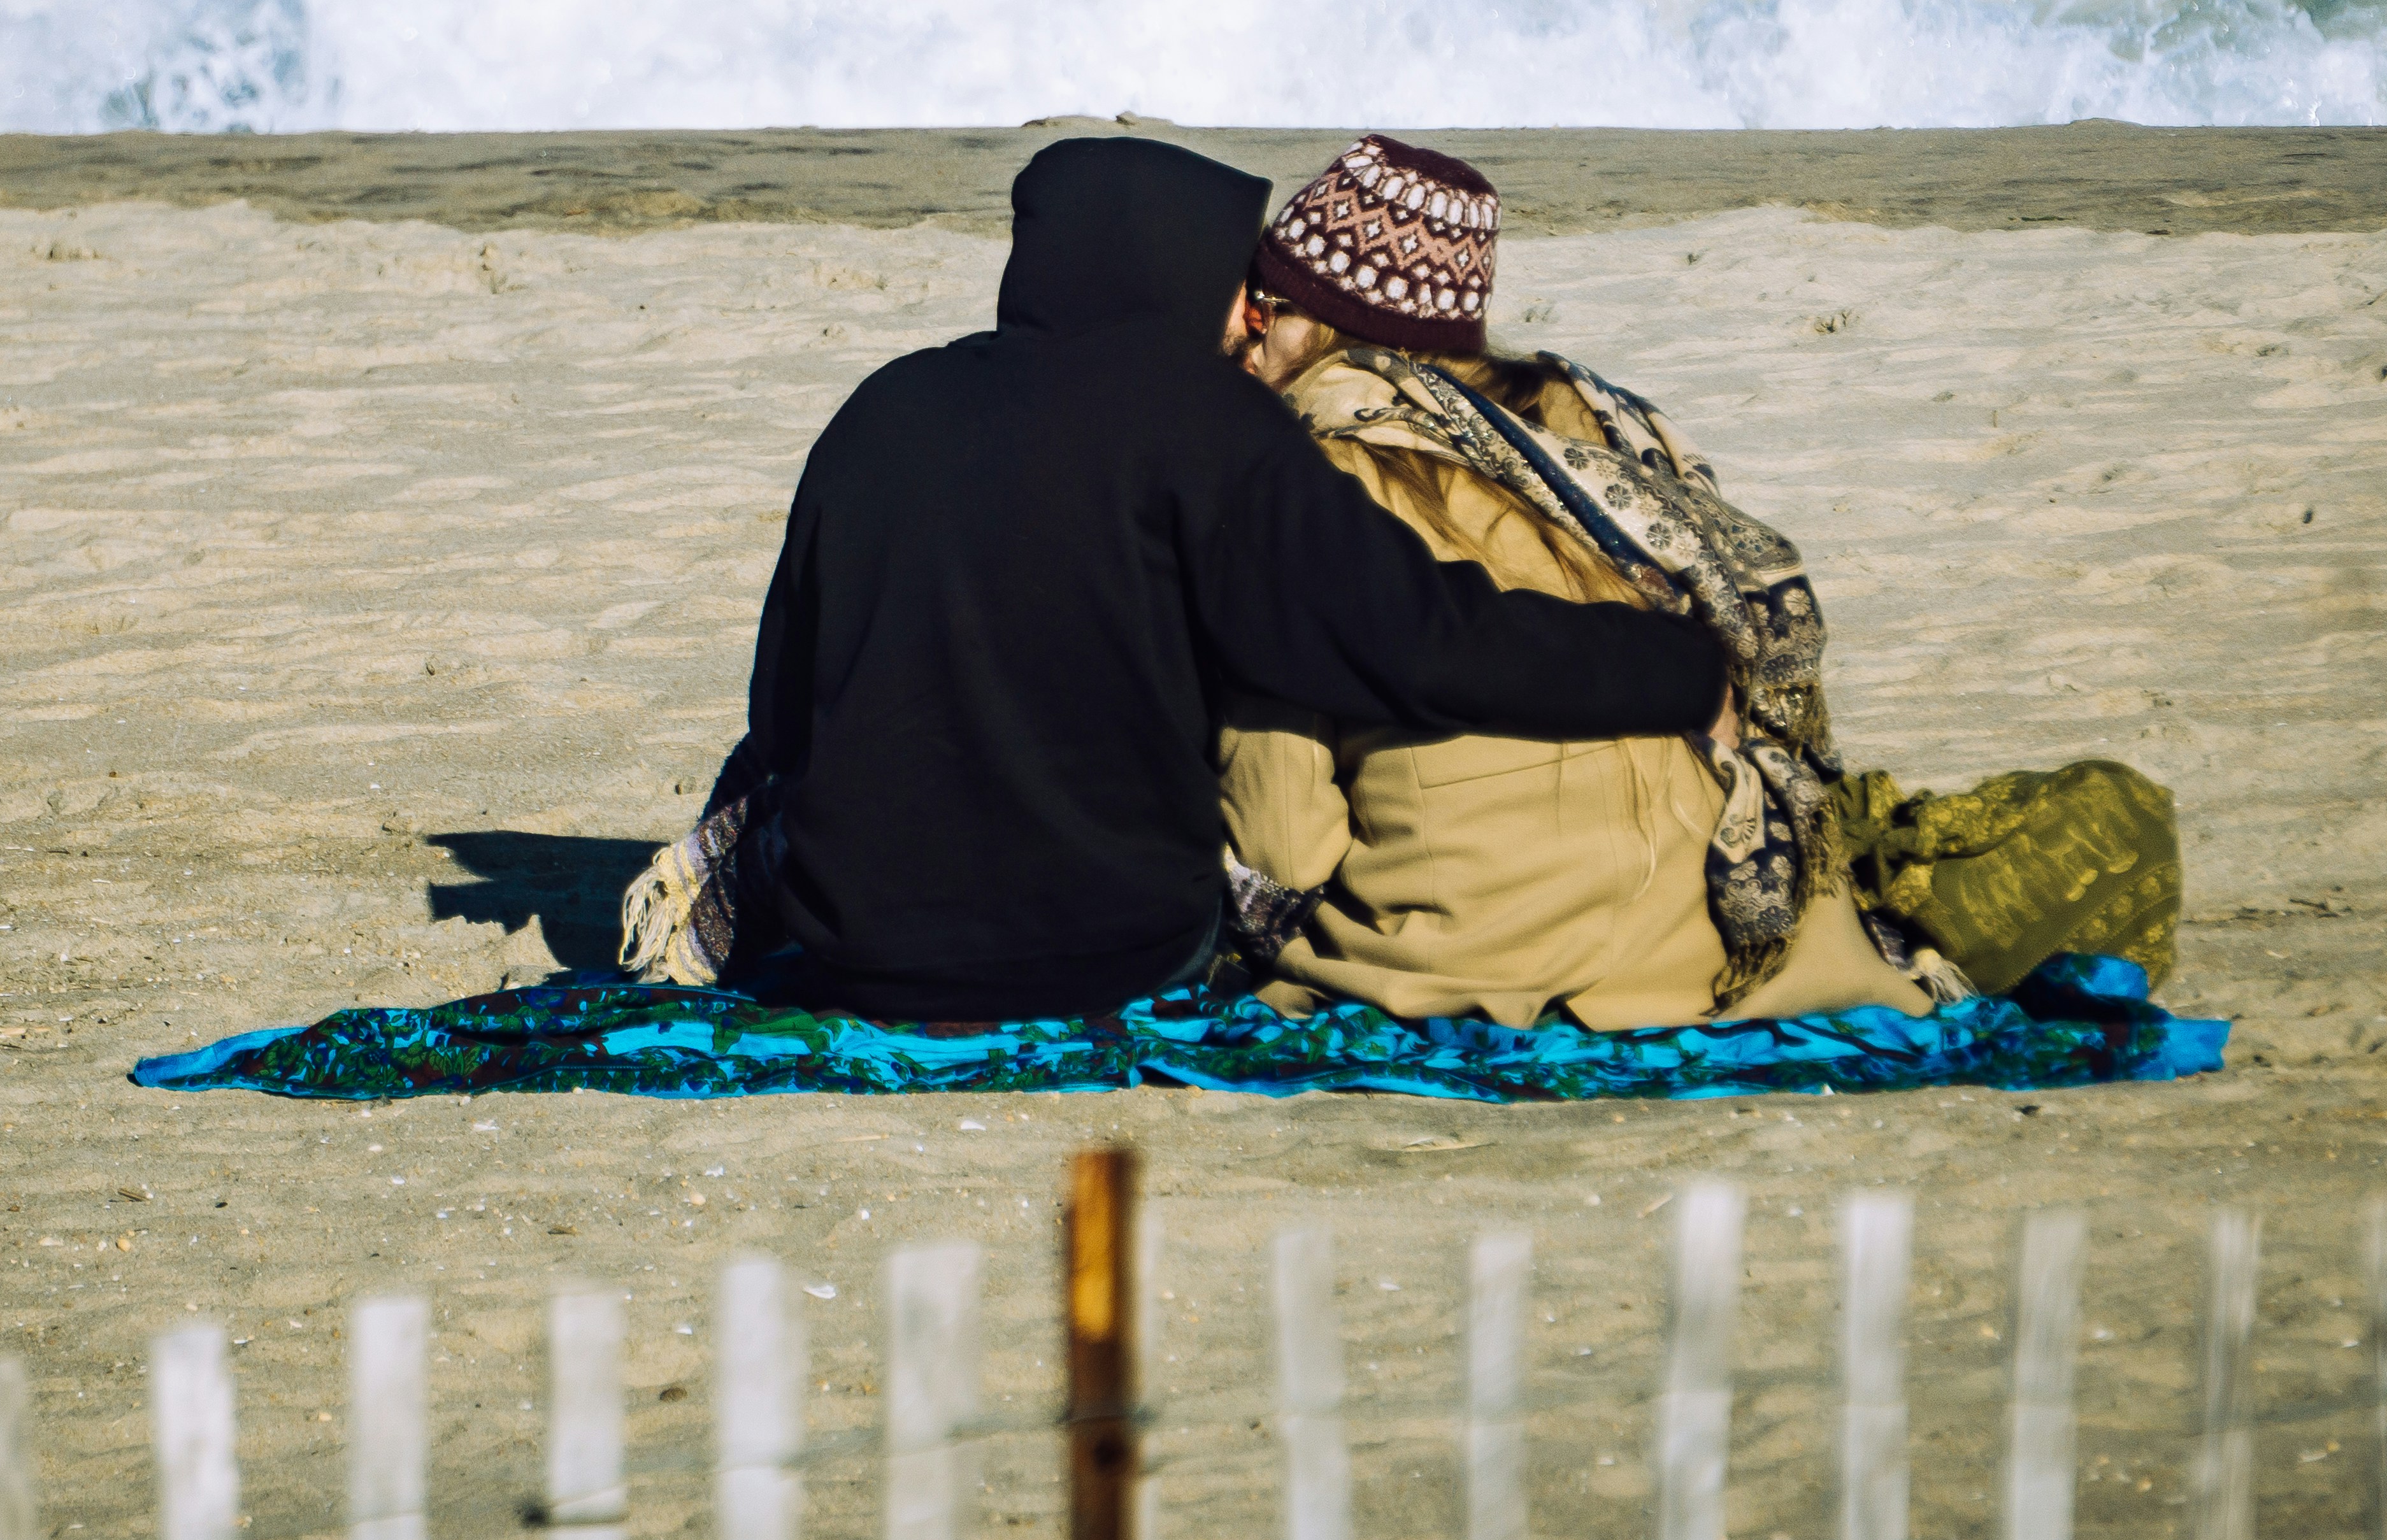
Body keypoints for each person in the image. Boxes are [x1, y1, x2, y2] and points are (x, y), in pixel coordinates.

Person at [620, 135, 1737, 1022]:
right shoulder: (1213, 430)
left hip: (857, 947)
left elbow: (782, 714)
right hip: (1113, 952)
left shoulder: (880, 410)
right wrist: (1678, 667)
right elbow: (1423, 643)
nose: (1251, 313)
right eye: (1235, 280)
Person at [1217, 135, 2180, 1029]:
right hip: (1700, 929)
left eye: (1269, 304)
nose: (1248, 333)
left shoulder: (1306, 477)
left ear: (1329, 325)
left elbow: (1285, 836)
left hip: (1460, 953)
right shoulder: (1600, 428)